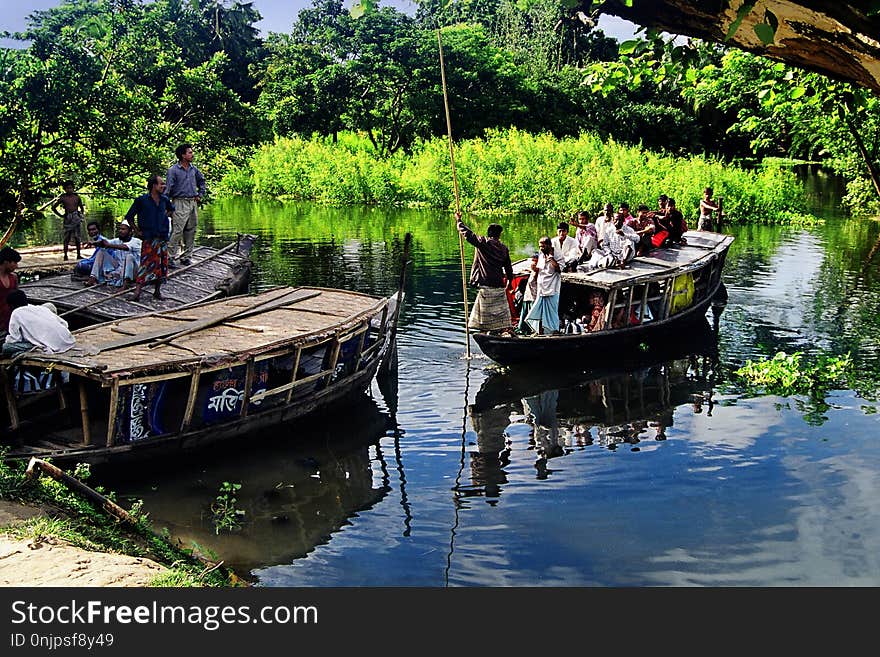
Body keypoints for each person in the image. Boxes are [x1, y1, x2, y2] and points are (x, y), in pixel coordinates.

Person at [456, 213, 515, 333]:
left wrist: (459, 221)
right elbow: (509, 269)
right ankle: (497, 331)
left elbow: (468, 234)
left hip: (486, 283)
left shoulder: (484, 243)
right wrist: (510, 282)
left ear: (489, 233)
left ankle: (490, 332)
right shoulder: (504, 248)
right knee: (499, 314)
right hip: (498, 284)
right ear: (499, 235)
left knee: (485, 314)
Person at [125, 174, 175, 302]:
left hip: (162, 236)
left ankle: (157, 291)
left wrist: (164, 218)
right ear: (154, 186)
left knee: (162, 265)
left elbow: (171, 210)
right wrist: (137, 231)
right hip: (149, 237)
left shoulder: (164, 200)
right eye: (161, 184)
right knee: (145, 264)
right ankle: (137, 292)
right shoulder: (142, 200)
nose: (163, 186)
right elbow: (129, 217)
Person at [165, 143, 207, 267]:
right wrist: (166, 206)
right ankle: (169, 257)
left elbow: (202, 181)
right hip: (179, 201)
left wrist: (200, 194)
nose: (192, 154)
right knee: (177, 230)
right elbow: (168, 189)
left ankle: (186, 256)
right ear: (183, 155)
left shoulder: (194, 169)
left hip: (192, 201)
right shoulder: (173, 170)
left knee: (191, 229)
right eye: (189, 152)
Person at [2, 289, 75, 355]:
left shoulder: (16, 313)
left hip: (52, 346)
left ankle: (28, 350)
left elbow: (15, 339)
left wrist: (7, 339)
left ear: (11, 306)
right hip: (67, 340)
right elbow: (64, 324)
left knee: (6, 347)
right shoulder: (40, 308)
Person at [86, 219, 142, 288]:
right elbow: (106, 243)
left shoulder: (137, 242)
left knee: (129, 256)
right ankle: (93, 277)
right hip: (119, 268)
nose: (120, 231)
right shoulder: (118, 240)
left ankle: (125, 284)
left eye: (123, 229)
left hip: (133, 272)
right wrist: (94, 243)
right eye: (120, 229)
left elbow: (125, 247)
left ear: (130, 232)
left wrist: (109, 245)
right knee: (102, 251)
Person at [525, 236, 565, 334]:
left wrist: (551, 258)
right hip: (541, 289)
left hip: (552, 289)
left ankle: (553, 331)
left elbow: (559, 270)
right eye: (540, 247)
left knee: (552, 312)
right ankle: (539, 331)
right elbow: (540, 270)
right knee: (538, 311)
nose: (541, 248)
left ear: (549, 245)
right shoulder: (541, 254)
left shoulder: (558, 254)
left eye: (543, 246)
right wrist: (534, 269)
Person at [52, 181, 85, 261]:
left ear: (73, 188)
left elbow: (81, 207)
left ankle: (78, 254)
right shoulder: (63, 198)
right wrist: (61, 215)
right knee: (67, 237)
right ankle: (65, 255)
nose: (69, 190)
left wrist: (81, 215)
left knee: (77, 237)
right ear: (65, 189)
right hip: (68, 218)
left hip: (76, 217)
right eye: (67, 188)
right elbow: (53, 207)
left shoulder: (77, 197)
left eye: (71, 188)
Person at [0, 246, 21, 338]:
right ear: (6, 262)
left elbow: (17, 299)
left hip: (10, 319)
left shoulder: (14, 277)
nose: (17, 266)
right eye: (15, 263)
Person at [516, 253, 539, 334]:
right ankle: (523, 329)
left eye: (535, 261)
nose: (533, 263)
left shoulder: (539, 272)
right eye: (533, 261)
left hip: (534, 297)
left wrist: (535, 271)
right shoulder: (531, 272)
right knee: (524, 314)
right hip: (527, 296)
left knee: (531, 315)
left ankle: (533, 330)